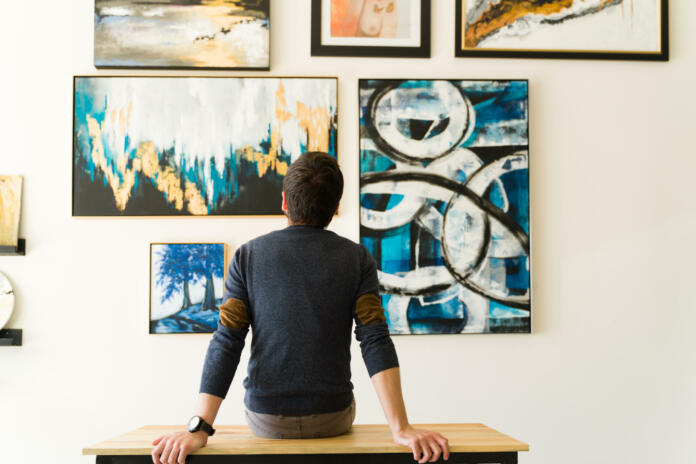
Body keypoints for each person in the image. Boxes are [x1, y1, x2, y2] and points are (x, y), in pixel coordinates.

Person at [151, 152, 449, 464]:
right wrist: (400, 428)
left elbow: (226, 341)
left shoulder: (247, 257)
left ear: (284, 202)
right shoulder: (358, 259)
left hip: (265, 418)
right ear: (336, 208)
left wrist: (199, 428)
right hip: (332, 418)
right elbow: (375, 339)